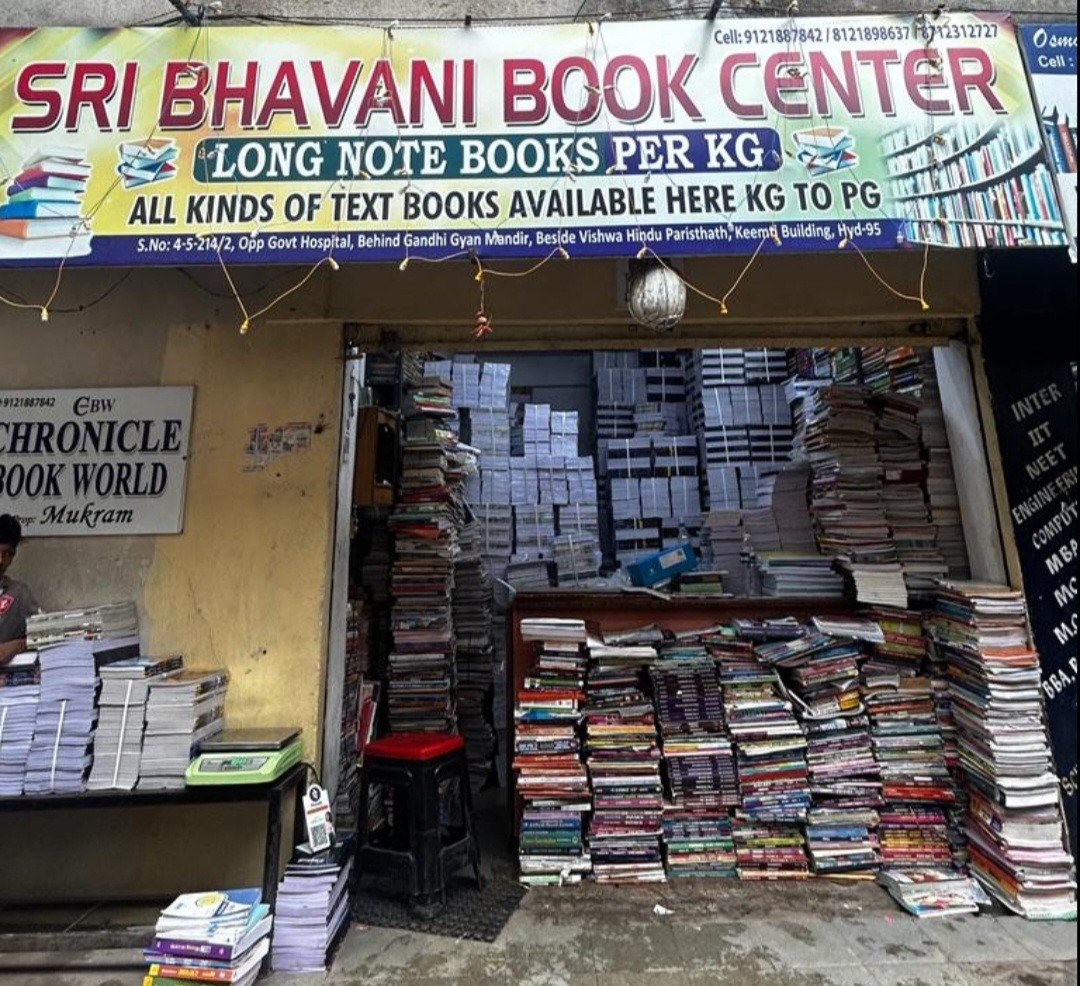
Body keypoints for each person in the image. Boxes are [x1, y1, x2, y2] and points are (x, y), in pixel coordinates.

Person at [0, 515, 39, 666]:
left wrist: (19, 645)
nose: (1, 560)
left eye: (8, 553)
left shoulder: (18, 593)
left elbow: (46, 636)